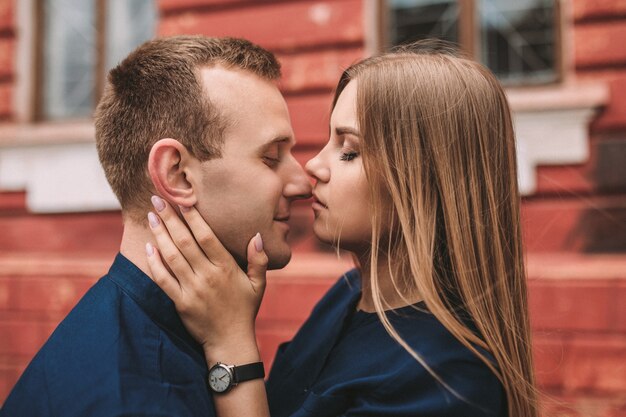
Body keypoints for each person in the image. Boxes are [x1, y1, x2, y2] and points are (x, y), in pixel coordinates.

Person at [144, 40, 539, 417]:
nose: (313, 167)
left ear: (426, 179)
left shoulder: (447, 378)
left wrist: (230, 342)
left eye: (349, 151)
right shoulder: (347, 297)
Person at [0, 36, 311, 417]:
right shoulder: (134, 399)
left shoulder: (136, 335)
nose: (303, 183)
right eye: (271, 157)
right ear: (177, 175)